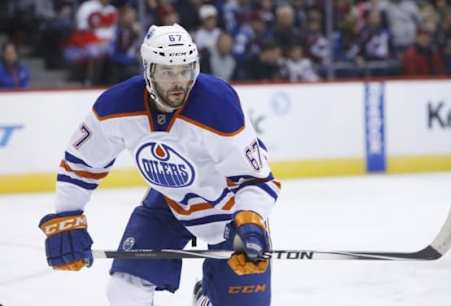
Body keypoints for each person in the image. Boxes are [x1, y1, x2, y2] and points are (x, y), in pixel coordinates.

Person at [38, 23, 280, 306]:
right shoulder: (115, 106)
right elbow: (80, 164)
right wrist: (68, 217)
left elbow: (257, 179)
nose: (178, 81)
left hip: (229, 211)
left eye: (185, 70)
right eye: (167, 72)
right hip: (168, 204)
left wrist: (250, 223)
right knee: (123, 292)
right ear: (149, 70)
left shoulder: (218, 106)